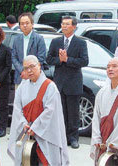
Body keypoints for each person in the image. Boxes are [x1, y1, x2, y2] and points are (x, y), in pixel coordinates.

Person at [8, 55, 70, 165]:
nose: (29, 70)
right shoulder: (22, 87)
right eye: (26, 68)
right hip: (26, 132)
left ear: (39, 66)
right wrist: (23, 124)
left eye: (32, 66)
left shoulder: (50, 87)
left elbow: (50, 112)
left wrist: (35, 128)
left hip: (45, 135)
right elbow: (17, 109)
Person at [46, 16, 89, 149]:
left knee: (73, 113)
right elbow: (48, 59)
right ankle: (62, 138)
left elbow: (84, 61)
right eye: (63, 24)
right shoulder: (55, 41)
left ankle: (74, 138)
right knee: (61, 113)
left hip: (73, 83)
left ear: (74, 27)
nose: (64, 26)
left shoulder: (81, 43)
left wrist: (67, 60)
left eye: (67, 24)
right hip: (59, 83)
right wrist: (59, 60)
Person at [12, 12, 47, 88]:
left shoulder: (39, 39)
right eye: (22, 23)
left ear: (32, 24)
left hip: (35, 78)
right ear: (19, 25)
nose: (24, 25)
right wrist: (22, 70)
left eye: (27, 23)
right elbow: (14, 57)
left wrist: (28, 71)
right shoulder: (16, 39)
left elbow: (41, 58)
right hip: (20, 77)